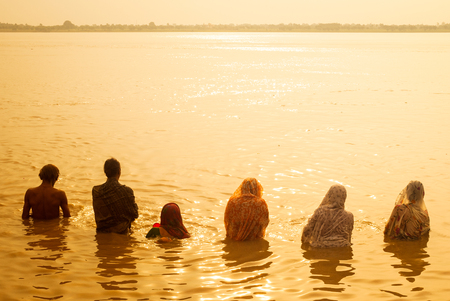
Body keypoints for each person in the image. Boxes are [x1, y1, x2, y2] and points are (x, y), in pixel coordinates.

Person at [92, 158, 138, 234]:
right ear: (119, 172)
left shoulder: (96, 191)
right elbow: (135, 214)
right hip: (121, 231)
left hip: (102, 230)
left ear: (105, 172)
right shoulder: (127, 191)